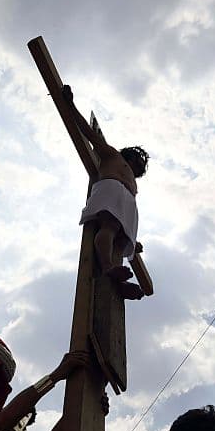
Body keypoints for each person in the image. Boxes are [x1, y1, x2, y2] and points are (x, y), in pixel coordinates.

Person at [63, 84, 149, 300]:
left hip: (128, 203)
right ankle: (107, 267)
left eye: (142, 163)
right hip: (111, 188)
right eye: (137, 158)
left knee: (121, 242)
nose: (139, 162)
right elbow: (89, 134)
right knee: (109, 226)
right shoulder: (112, 155)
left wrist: (134, 239)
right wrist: (70, 105)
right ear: (128, 155)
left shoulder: (134, 182)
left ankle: (116, 283)